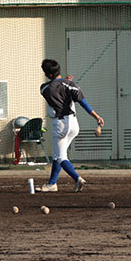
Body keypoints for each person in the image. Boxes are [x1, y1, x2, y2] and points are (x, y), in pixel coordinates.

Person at [37, 58, 103, 193]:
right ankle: (52, 184)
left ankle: (77, 178)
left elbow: (54, 88)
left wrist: (62, 83)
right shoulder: (70, 85)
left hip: (60, 125)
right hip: (73, 124)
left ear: (49, 74)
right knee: (57, 154)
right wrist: (96, 117)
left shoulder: (44, 88)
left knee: (60, 157)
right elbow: (83, 102)